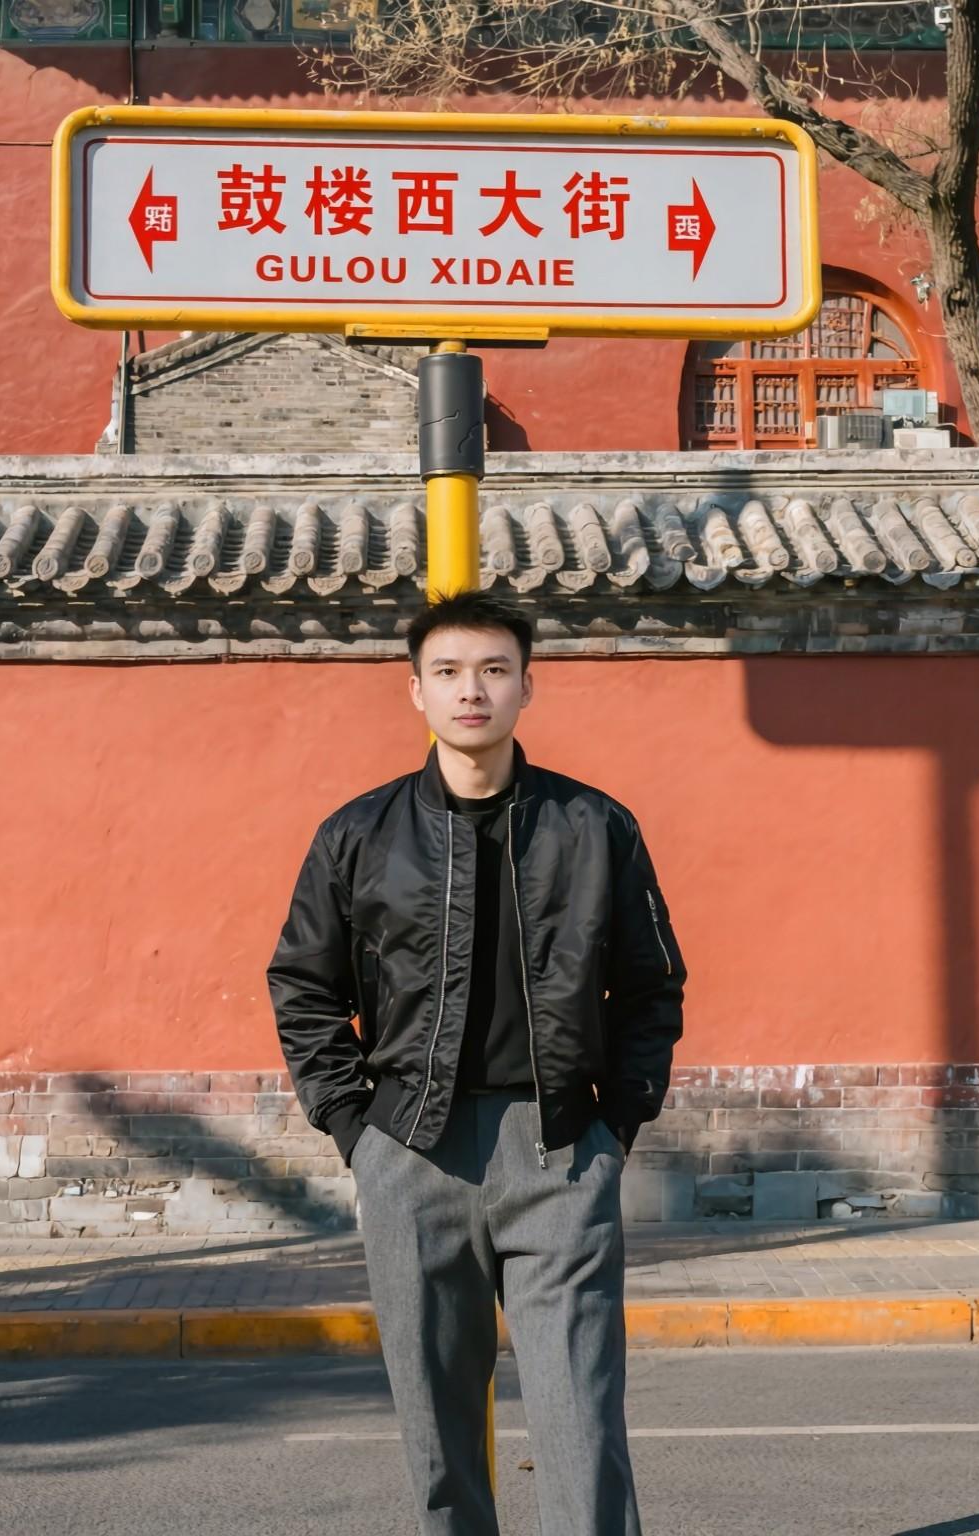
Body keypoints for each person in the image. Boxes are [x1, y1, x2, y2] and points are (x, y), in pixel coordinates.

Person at [267, 588, 686, 1536]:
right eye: (449, 672)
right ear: (415, 690)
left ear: (526, 687)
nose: (471, 691)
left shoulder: (595, 827)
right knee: (437, 1428)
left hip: (559, 1147)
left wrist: (615, 1122)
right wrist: (355, 1129)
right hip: (411, 1149)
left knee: (580, 1416)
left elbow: (651, 985)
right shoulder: (358, 835)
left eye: (494, 670)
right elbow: (302, 984)